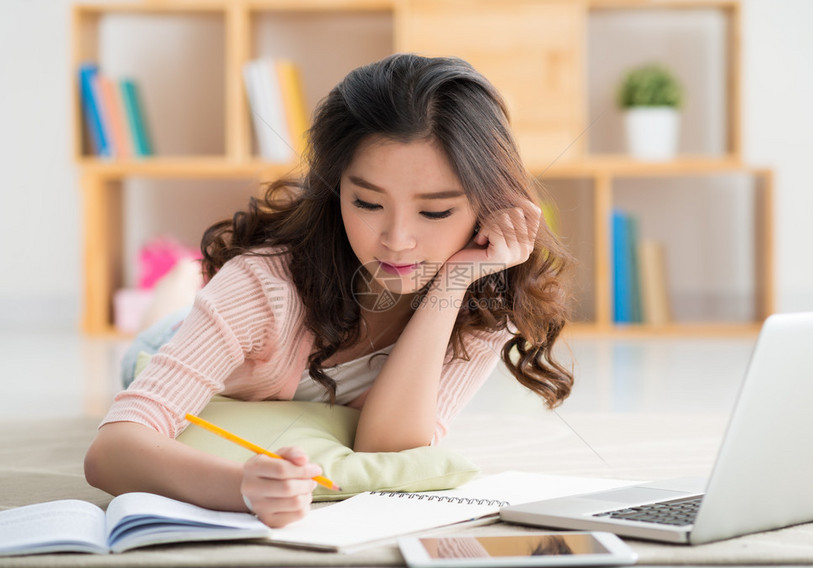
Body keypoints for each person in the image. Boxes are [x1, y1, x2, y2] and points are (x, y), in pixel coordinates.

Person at [85, 53, 574, 528]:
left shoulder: (480, 299)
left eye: (435, 212)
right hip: (176, 340)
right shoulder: (262, 285)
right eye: (366, 202)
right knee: (157, 328)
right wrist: (241, 488)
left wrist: (455, 279)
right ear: (334, 187)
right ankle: (175, 287)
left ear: (488, 207)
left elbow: (388, 450)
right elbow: (112, 451)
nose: (397, 240)